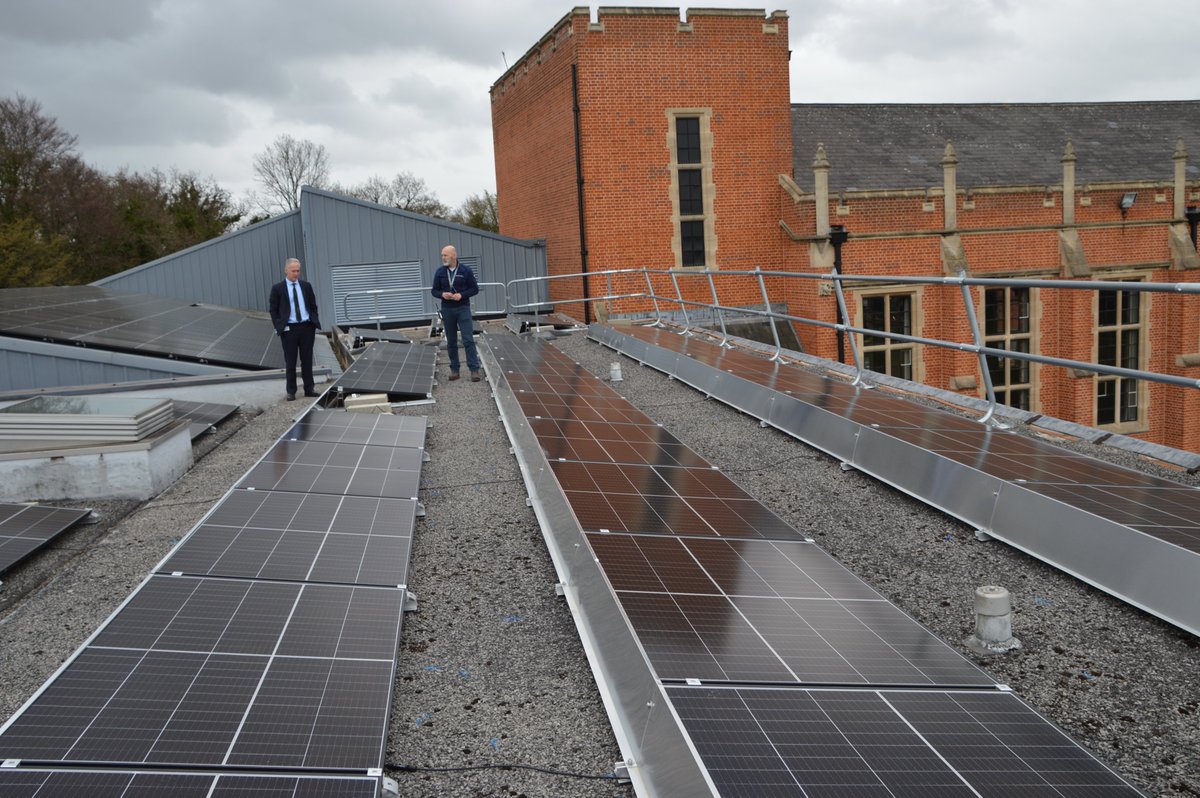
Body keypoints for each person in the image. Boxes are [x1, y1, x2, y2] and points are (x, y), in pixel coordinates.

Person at [268, 257, 322, 400]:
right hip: (289, 329)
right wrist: (279, 326)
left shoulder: (306, 286)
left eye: (298, 271)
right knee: (290, 361)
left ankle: (309, 389)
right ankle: (291, 391)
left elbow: (313, 306)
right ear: (286, 270)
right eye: (293, 271)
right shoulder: (277, 288)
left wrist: (313, 321)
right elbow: (273, 310)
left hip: (306, 327)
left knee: (307, 360)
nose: (296, 274)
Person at [430, 244, 481, 381]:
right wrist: (442, 294)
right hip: (447, 309)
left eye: (445, 255)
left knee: (468, 339)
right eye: (442, 255)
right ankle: (454, 370)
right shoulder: (440, 272)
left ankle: (474, 369)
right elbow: (434, 290)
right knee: (451, 341)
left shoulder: (466, 270)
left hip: (463, 308)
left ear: (453, 255)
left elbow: (474, 289)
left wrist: (461, 295)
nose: (443, 257)